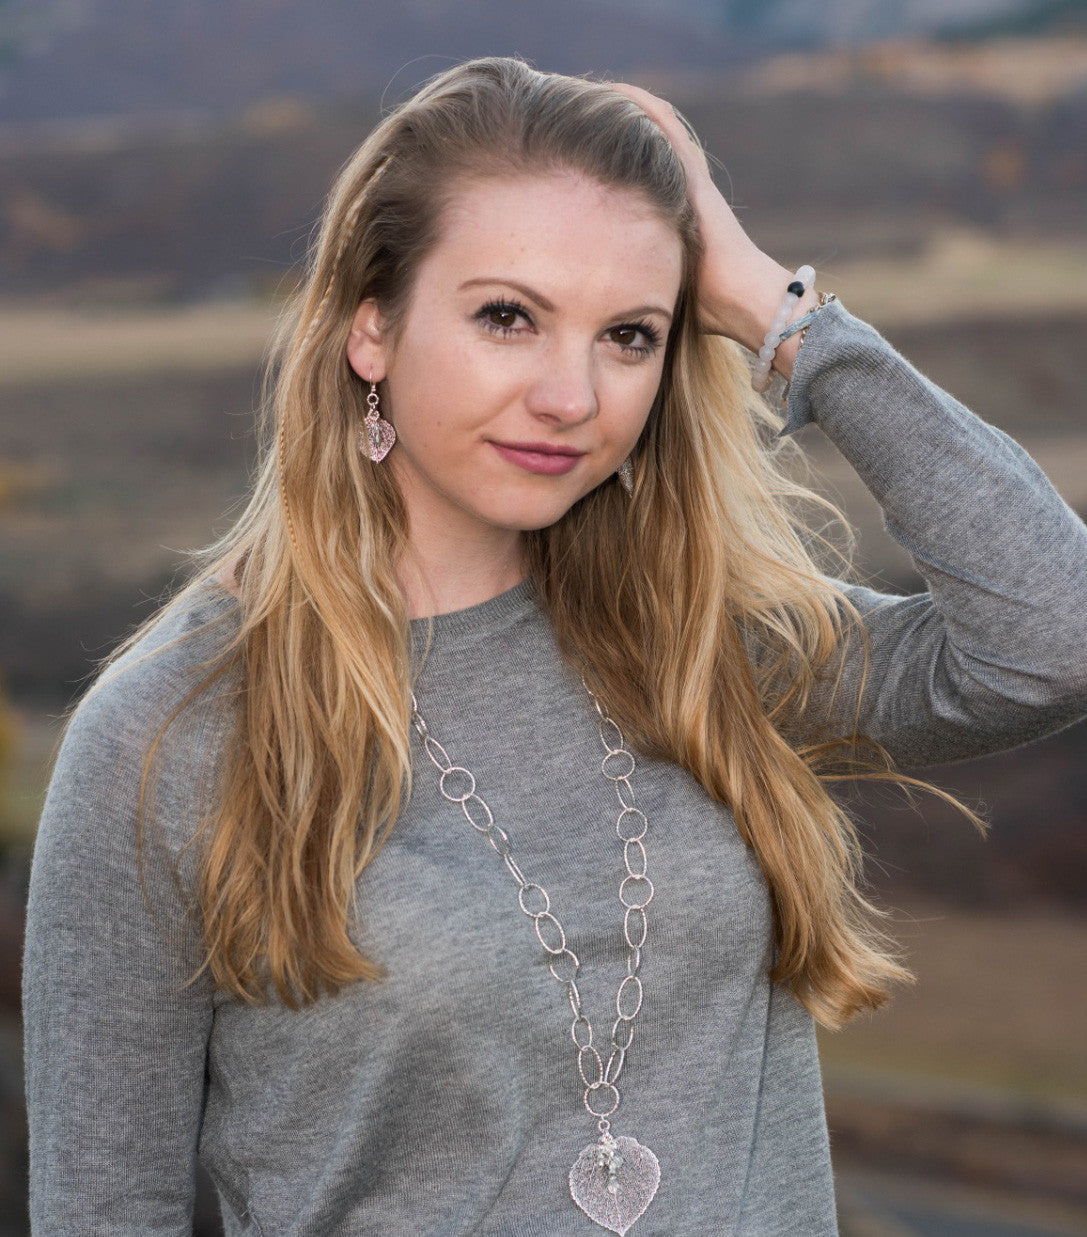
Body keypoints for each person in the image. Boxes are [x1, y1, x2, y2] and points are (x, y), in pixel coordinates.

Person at [22, 56, 1087, 1236]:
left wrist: (773, 311)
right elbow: (103, 1206)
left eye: (629, 334)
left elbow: (1053, 637)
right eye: (506, 317)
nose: (571, 396)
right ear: (370, 325)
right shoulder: (172, 732)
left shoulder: (704, 643)